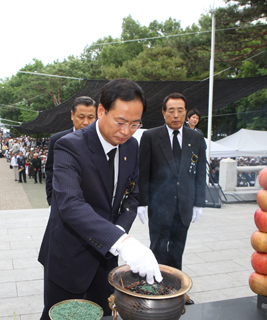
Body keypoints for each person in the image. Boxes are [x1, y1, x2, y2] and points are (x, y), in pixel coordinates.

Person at [38, 79, 162, 319]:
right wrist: (123, 242)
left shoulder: (131, 146)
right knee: (62, 315)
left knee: (104, 313)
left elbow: (131, 195)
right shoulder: (70, 146)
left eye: (135, 124)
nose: (126, 131)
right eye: (121, 122)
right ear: (101, 111)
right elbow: (70, 204)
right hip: (69, 256)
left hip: (106, 256)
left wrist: (118, 231)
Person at [138, 93, 206, 305]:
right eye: (171, 110)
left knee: (177, 250)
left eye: (180, 110)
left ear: (186, 113)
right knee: (158, 248)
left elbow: (200, 170)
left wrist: (198, 203)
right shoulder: (151, 136)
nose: (176, 115)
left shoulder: (195, 138)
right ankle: (157, 287)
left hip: (184, 205)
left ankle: (177, 290)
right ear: (163, 112)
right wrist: (142, 202)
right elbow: (143, 171)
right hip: (159, 205)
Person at [45, 96, 97, 205]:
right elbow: (50, 172)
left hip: (94, 202)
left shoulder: (101, 141)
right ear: (72, 115)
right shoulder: (57, 140)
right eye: (81, 117)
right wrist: (51, 201)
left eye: (91, 117)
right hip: (65, 201)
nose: (86, 122)